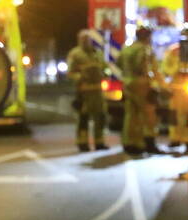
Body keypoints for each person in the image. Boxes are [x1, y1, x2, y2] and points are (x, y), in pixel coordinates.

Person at [118, 26, 164, 156]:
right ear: (147, 37)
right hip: (142, 85)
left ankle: (130, 143)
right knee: (149, 114)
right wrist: (156, 85)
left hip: (128, 84)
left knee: (131, 115)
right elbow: (147, 68)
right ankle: (149, 143)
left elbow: (119, 64)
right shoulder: (145, 50)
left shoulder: (126, 49)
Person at [65, 30, 108, 152]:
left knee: (100, 117)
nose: (86, 41)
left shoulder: (97, 53)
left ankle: (99, 142)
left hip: (98, 91)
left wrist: (105, 74)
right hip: (84, 92)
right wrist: (80, 78)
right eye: (83, 39)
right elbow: (70, 73)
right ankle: (83, 143)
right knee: (83, 118)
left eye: (87, 39)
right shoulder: (75, 54)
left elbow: (105, 67)